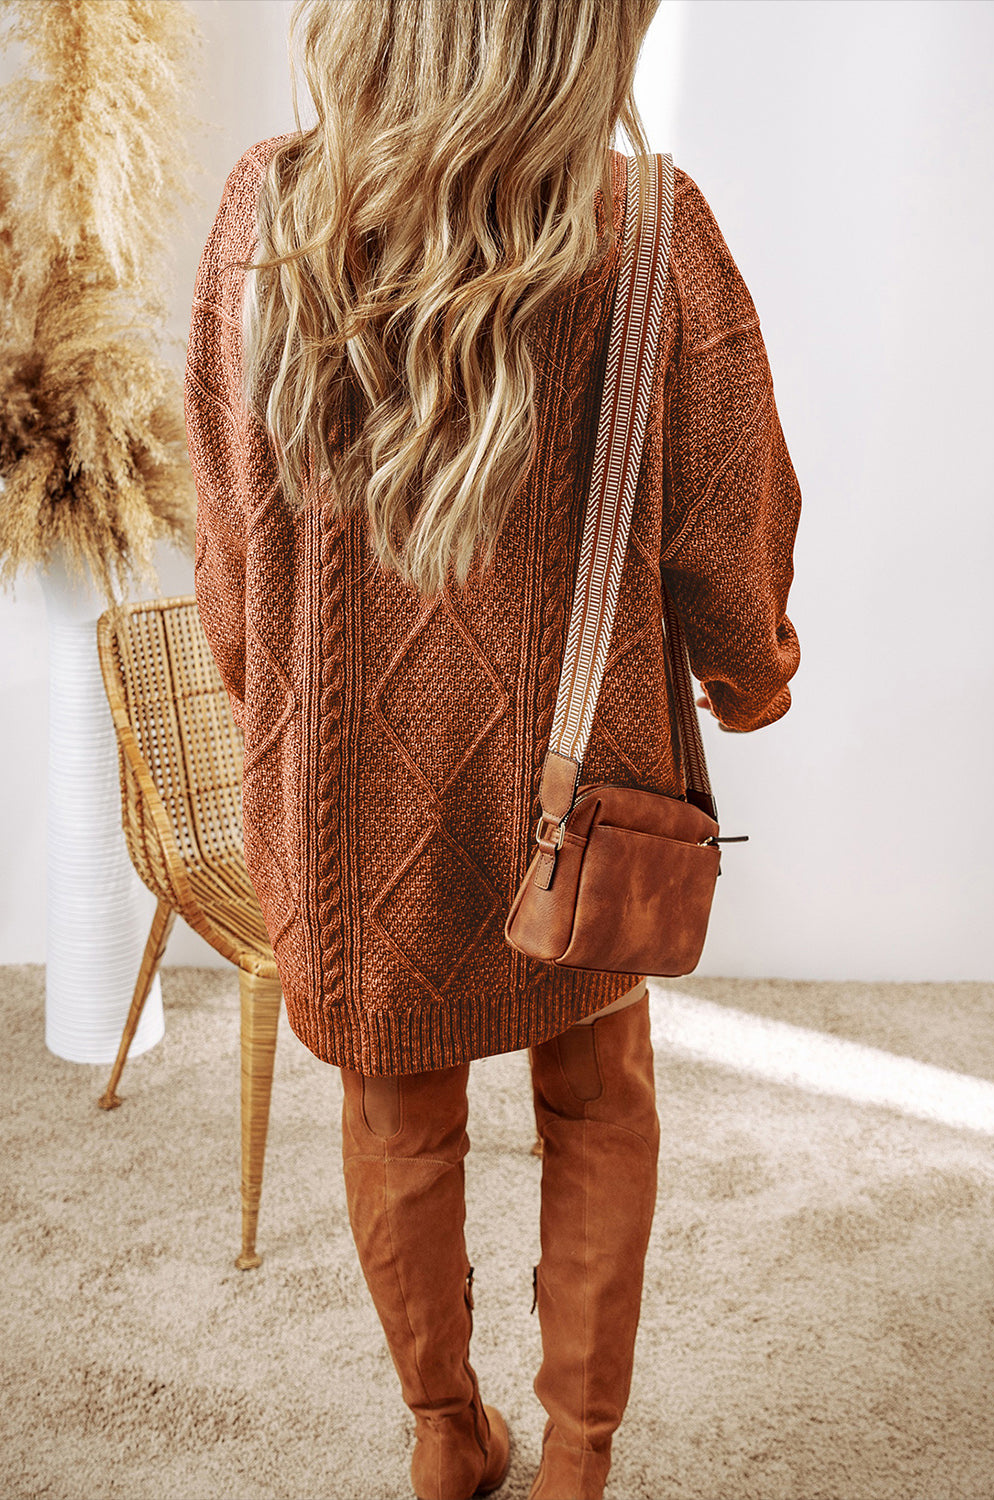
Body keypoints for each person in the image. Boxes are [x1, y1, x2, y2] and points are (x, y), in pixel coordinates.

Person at [183, 2, 802, 1496]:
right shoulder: (650, 229)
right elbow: (728, 513)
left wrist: (263, 697)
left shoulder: (269, 211)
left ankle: (445, 1439)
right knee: (598, 1091)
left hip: (338, 796)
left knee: (395, 1104)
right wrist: (750, 671)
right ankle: (580, 1458)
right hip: (578, 790)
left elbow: (224, 531)